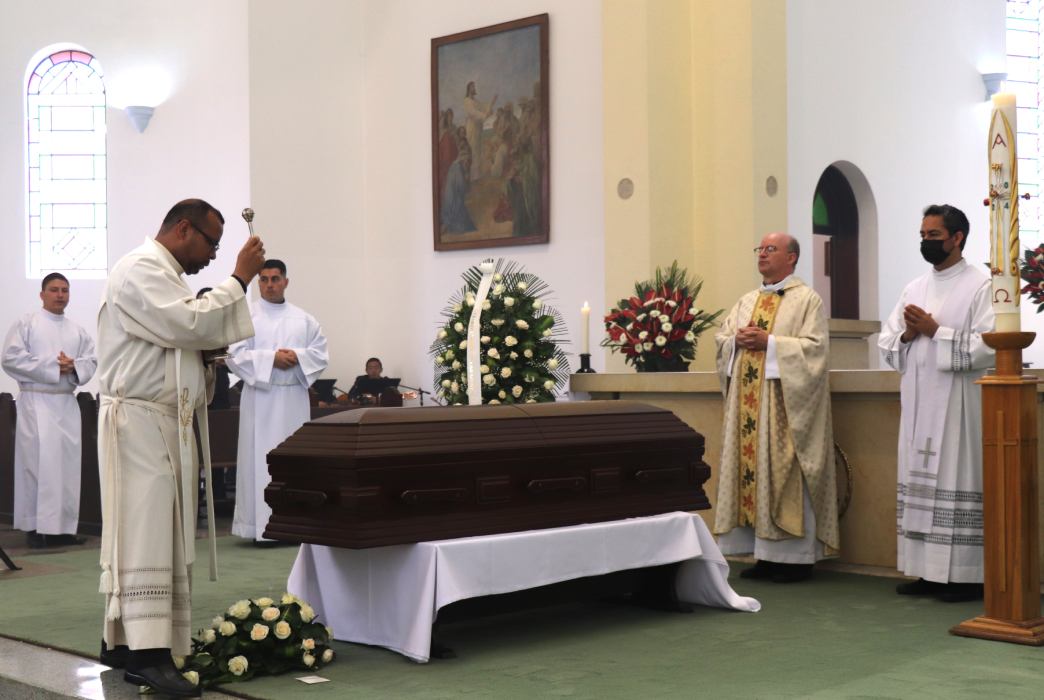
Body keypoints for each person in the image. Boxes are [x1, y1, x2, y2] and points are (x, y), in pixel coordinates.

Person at [95, 198, 266, 697]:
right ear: (183, 229)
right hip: (140, 423)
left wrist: (204, 359)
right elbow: (189, 324)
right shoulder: (141, 269)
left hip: (162, 421)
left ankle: (123, 642)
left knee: (149, 534)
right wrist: (239, 278)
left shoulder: (163, 274)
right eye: (211, 242)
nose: (213, 254)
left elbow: (179, 340)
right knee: (145, 534)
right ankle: (149, 657)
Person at [879, 204, 994, 603]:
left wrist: (936, 331)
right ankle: (926, 573)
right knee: (919, 481)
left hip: (960, 406)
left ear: (957, 237)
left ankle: (966, 577)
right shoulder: (914, 287)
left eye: (934, 236)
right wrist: (910, 335)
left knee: (957, 478)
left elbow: (990, 346)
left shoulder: (982, 285)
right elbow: (888, 343)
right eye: (923, 235)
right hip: (919, 402)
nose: (926, 242)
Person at [713, 232, 839, 583]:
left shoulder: (807, 301)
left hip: (785, 410)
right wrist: (734, 342)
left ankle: (795, 559)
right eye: (761, 249)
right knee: (755, 474)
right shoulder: (746, 301)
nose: (763, 254)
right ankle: (765, 555)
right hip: (750, 411)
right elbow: (722, 339)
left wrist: (770, 343)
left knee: (785, 472)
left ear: (792, 257)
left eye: (771, 249)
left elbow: (816, 350)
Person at [226, 259, 328, 543]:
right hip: (260, 398)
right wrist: (271, 359)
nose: (269, 285)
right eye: (264, 279)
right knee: (260, 462)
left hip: (293, 398)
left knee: (294, 463)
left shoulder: (304, 319)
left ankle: (295, 523)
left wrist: (297, 357)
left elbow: (320, 354)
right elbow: (233, 355)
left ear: (285, 281)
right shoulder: (247, 316)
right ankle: (259, 528)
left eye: (275, 279)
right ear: (258, 282)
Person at [2, 273, 96, 549]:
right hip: (37, 402)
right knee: (37, 465)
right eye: (54, 290)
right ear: (42, 294)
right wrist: (55, 366)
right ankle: (35, 528)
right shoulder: (27, 323)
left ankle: (64, 529)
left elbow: (91, 360)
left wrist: (75, 366)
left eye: (65, 290)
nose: (60, 295)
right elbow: (10, 358)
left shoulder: (77, 330)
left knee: (66, 469)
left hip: (66, 403)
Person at [463, 80, 497, 180]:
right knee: (473, 151)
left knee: (478, 151)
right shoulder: (467, 101)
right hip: (472, 128)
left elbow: (484, 107)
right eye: (473, 87)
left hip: (478, 129)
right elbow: (473, 113)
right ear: (469, 89)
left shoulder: (475, 101)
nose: (475, 88)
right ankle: (472, 176)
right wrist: (484, 115)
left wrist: (492, 102)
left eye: (474, 87)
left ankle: (476, 175)